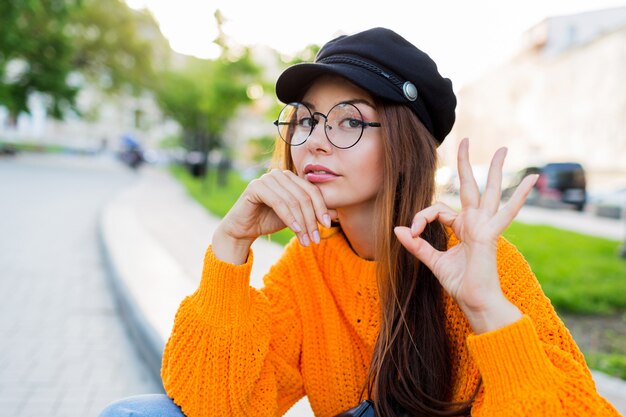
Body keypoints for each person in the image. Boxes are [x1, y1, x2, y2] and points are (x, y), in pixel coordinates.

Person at [99, 27, 621, 417]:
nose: (317, 140)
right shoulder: (309, 266)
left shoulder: (477, 261)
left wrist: (488, 311)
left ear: (403, 144)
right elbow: (213, 401)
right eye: (305, 120)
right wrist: (230, 245)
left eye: (350, 120)